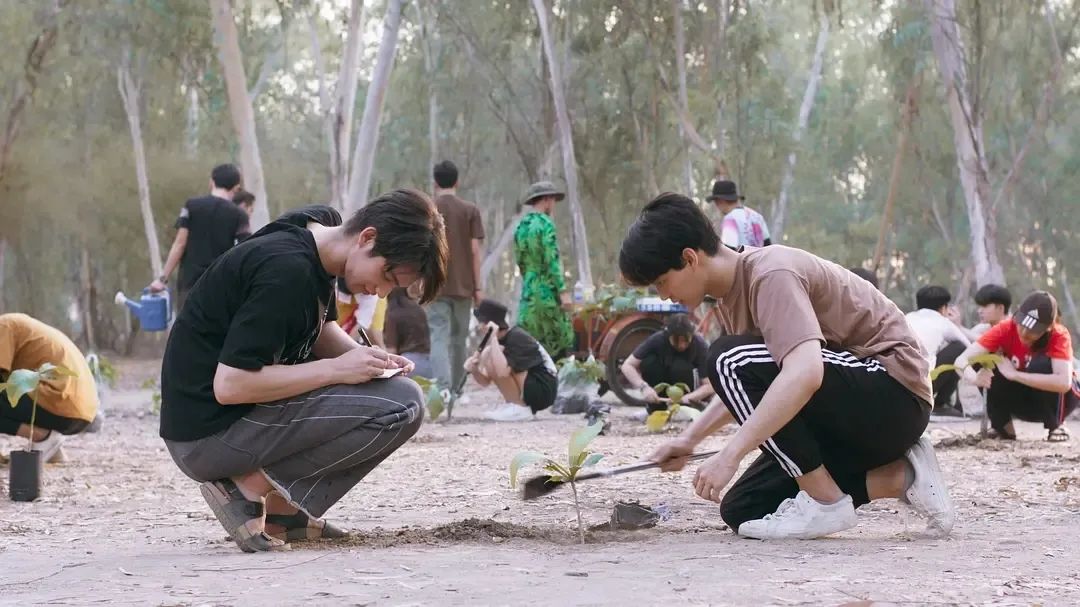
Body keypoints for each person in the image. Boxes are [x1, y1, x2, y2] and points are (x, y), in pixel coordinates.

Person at [620, 193, 952, 540]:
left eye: (660, 282)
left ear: (689, 258)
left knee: (727, 358)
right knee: (744, 508)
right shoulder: (729, 299)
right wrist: (688, 441)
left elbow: (803, 372)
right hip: (855, 414)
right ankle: (905, 475)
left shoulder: (771, 271)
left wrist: (731, 455)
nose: (662, 296)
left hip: (892, 394)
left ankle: (826, 501)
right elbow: (749, 386)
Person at [159, 190, 447, 552]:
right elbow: (230, 385)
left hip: (226, 423)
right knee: (403, 404)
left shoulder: (317, 229)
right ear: (367, 238)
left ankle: (283, 512)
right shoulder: (285, 271)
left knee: (399, 398)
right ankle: (245, 489)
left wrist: (369, 360)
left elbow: (317, 327)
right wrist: (336, 369)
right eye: (387, 276)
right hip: (207, 435)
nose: (383, 292)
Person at [953, 291, 1078, 442]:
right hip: (1021, 401)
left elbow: (1063, 383)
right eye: (1022, 325)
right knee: (987, 361)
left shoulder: (1059, 335)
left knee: (1041, 364)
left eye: (1034, 330)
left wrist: (1015, 374)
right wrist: (975, 379)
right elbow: (961, 361)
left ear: (1048, 328)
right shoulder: (1004, 328)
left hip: (1058, 402)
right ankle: (1003, 427)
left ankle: (1056, 425)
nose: (1024, 333)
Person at [0, 313, 100, 463]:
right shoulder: (18, 325)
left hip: (59, 399)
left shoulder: (4, 326)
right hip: (81, 410)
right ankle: (52, 450)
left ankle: (43, 437)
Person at [150, 164, 251, 311]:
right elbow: (245, 250)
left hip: (190, 287)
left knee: (187, 332)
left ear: (211, 182)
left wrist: (162, 279)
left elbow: (180, 244)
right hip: (221, 288)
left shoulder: (191, 206)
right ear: (236, 187)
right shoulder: (239, 215)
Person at [428, 160, 485, 390]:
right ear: (457, 182)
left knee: (438, 337)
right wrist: (478, 287)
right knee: (458, 340)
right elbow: (474, 251)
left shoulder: (427, 209)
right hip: (464, 287)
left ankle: (441, 389)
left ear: (435, 183)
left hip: (435, 285)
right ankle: (457, 389)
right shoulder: (470, 210)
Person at [465, 299, 558, 422]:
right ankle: (515, 405)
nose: (479, 325)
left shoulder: (516, 337)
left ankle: (520, 408)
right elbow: (485, 382)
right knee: (490, 353)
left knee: (495, 356)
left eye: (481, 321)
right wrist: (475, 370)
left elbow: (502, 372)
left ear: (491, 323)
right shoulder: (500, 342)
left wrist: (492, 337)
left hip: (544, 387)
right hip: (533, 384)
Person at [513, 181, 575, 360]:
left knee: (531, 340)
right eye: (553, 200)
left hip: (529, 291)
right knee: (560, 338)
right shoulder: (546, 224)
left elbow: (520, 261)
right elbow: (552, 261)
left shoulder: (521, 226)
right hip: (547, 291)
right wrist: (562, 290)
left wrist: (530, 279)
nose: (553, 204)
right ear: (547, 200)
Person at [620, 314, 715, 413]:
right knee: (649, 362)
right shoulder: (658, 339)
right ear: (668, 336)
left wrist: (689, 397)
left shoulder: (699, 345)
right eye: (676, 340)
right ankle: (656, 407)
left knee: (679, 367)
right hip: (664, 387)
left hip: (688, 390)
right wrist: (644, 387)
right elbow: (628, 365)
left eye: (686, 340)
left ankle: (686, 408)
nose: (681, 345)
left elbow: (710, 385)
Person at [904, 286, 970, 413]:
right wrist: (957, 324)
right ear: (943, 308)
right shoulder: (943, 322)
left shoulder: (907, 317)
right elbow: (968, 346)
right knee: (959, 349)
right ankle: (941, 403)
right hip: (922, 384)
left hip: (897, 380)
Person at [384, 286, 433, 379]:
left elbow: (392, 350)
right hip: (430, 363)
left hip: (409, 364)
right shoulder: (418, 309)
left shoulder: (393, 313)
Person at [707, 180, 771, 249]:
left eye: (716, 202)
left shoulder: (730, 219)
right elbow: (768, 245)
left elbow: (729, 250)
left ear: (720, 201)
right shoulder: (757, 217)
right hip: (760, 259)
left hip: (742, 259)